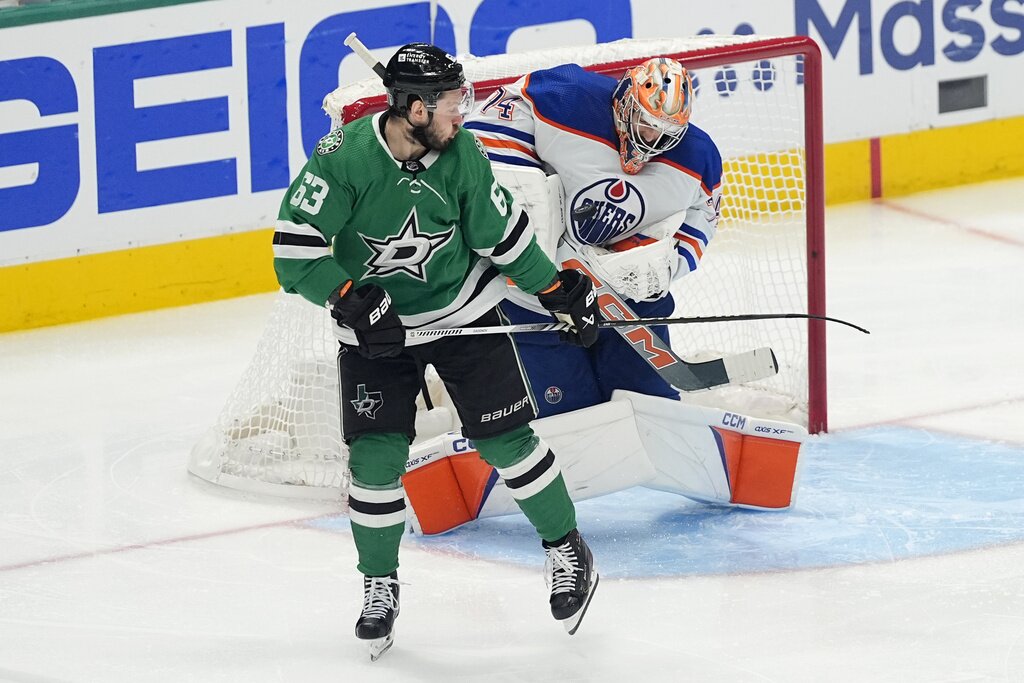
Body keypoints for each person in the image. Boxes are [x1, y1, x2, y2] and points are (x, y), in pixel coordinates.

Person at [272, 43, 602, 659]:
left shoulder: (463, 155)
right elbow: (293, 250)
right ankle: (379, 585)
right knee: (374, 461)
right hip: (378, 332)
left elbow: (501, 236)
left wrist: (557, 290)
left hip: (462, 312)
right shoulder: (344, 159)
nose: (463, 113)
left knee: (505, 441)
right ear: (415, 109)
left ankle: (567, 549)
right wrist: (346, 296)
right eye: (453, 104)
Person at [465, 56, 723, 418]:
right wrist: (536, 249)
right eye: (646, 125)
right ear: (624, 101)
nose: (652, 139)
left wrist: (668, 268)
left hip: (630, 302)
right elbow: (482, 135)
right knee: (570, 416)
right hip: (536, 305)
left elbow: (704, 219)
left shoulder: (699, 157)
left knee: (648, 410)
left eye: (667, 132)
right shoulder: (565, 98)